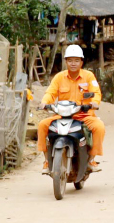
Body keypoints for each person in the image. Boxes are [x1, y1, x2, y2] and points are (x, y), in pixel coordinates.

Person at [38, 45, 106, 173]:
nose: (73, 63)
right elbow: (51, 93)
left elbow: (96, 92)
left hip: (84, 115)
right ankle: (47, 161)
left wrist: (94, 103)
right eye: (70, 60)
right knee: (42, 125)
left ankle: (91, 159)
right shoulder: (59, 77)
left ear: (81, 62)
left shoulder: (89, 76)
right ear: (66, 62)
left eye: (76, 60)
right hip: (62, 115)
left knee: (99, 127)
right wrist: (44, 102)